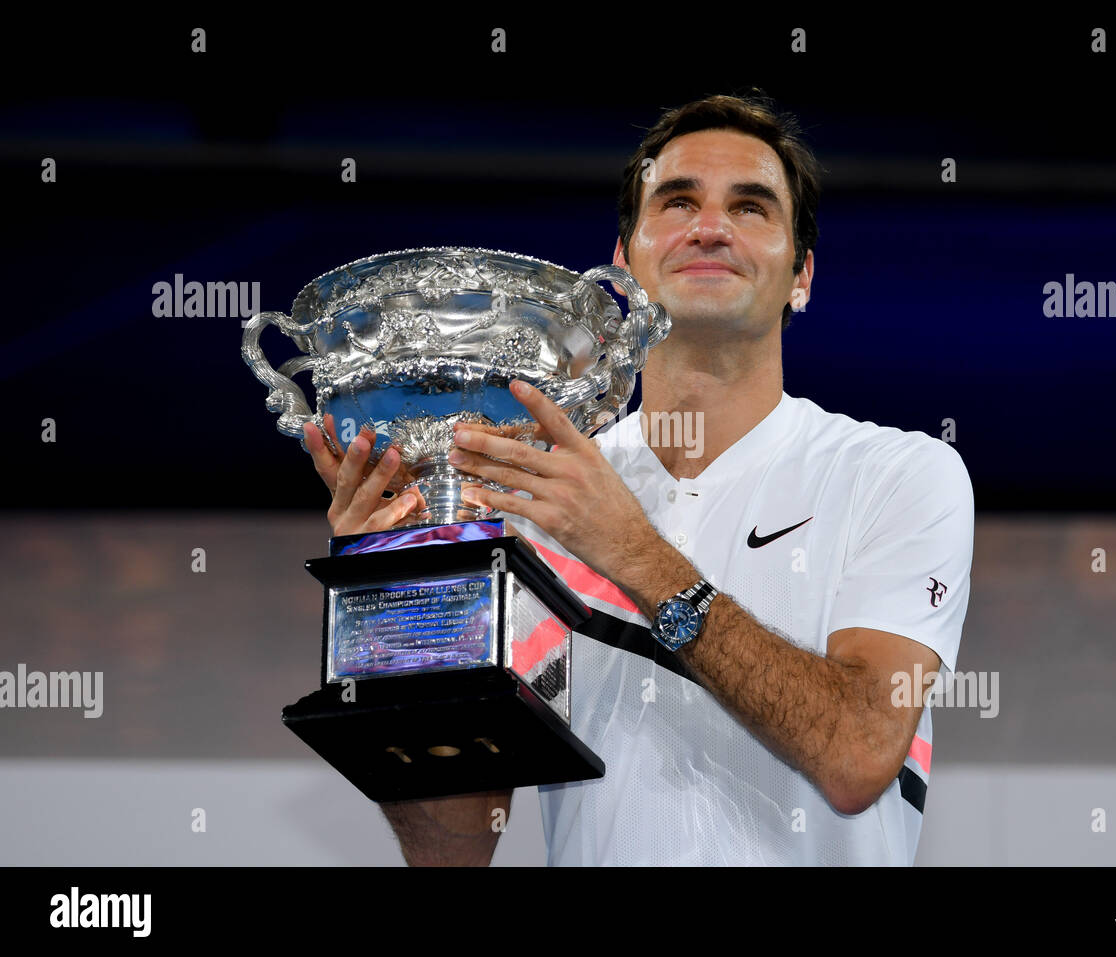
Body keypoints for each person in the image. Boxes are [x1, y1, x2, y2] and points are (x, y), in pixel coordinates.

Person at [302, 92, 974, 866]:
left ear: (803, 276)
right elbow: (454, 847)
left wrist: (633, 550)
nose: (711, 226)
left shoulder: (899, 475)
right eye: (677, 200)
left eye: (751, 207)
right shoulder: (525, 499)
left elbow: (858, 753)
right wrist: (394, 616)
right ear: (621, 266)